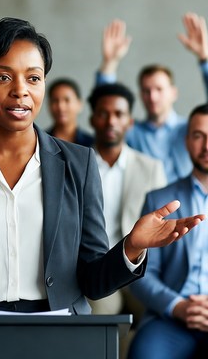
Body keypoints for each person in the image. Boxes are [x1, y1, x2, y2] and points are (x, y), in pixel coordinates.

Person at [0, 17, 204, 316]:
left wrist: (131, 247)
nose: (20, 91)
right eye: (3, 77)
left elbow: (93, 282)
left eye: (33, 78)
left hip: (59, 326)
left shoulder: (79, 163)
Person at [127, 103, 208, 359]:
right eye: (198, 135)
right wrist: (178, 306)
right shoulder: (160, 201)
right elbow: (142, 274)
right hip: (169, 316)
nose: (206, 146)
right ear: (186, 141)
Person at [96, 13, 208, 183]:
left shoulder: (189, 130)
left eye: (159, 89)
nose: (153, 96)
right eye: (146, 91)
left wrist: (204, 59)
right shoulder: (132, 133)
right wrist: (109, 64)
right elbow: (105, 108)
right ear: (141, 95)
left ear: (173, 93)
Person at [87, 83, 167, 317]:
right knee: (99, 316)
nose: (111, 121)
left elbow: (162, 224)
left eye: (119, 114)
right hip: (97, 268)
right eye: (103, 113)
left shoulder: (151, 168)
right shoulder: (77, 165)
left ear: (130, 121)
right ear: (92, 119)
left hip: (141, 267)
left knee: (158, 315)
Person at [46, 78, 94, 147]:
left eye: (67, 100)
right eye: (55, 101)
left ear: (79, 104)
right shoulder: (39, 142)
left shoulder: (91, 144)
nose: (61, 107)